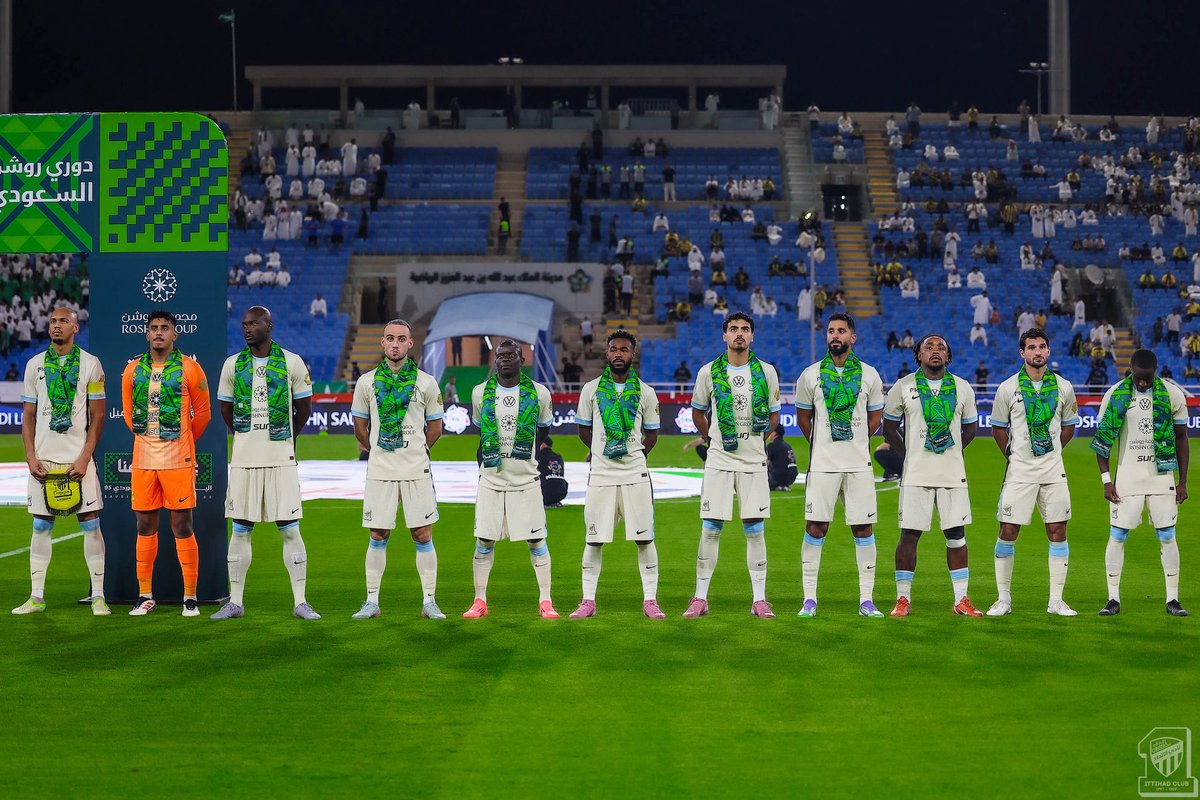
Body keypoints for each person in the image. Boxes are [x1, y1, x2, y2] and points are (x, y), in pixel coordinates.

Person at [211, 306, 318, 620]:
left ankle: (300, 602)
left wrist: (287, 438)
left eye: (254, 324)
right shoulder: (232, 365)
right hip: (244, 461)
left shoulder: (292, 362)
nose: (248, 329)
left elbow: (304, 409)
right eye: (244, 324)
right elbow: (226, 410)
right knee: (240, 531)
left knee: (290, 530)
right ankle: (235, 602)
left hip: (280, 459)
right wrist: (246, 437)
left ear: (269, 326)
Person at [685, 313, 782, 618]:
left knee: (755, 530)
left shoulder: (766, 372)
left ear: (752, 336)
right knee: (710, 529)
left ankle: (759, 599)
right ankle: (700, 598)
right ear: (724, 336)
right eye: (733, 329)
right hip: (720, 459)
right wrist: (711, 437)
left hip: (753, 460)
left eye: (745, 329)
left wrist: (755, 441)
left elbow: (774, 416)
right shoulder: (708, 372)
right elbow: (698, 412)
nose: (739, 333)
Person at [12, 307, 109, 616]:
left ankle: (98, 596)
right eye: (53, 321)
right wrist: (30, 457)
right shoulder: (34, 365)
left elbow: (98, 417)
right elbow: (28, 417)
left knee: (91, 525)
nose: (56, 325)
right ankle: (36, 597)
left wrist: (85, 458)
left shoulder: (91, 364)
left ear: (76, 328)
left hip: (78, 461)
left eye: (64, 321)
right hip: (44, 460)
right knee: (41, 526)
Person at [349, 320, 446, 620]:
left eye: (401, 339)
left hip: (416, 468)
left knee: (422, 534)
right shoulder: (366, 382)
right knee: (378, 533)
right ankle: (371, 602)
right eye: (390, 338)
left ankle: (429, 602)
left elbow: (436, 427)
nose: (395, 344)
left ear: (410, 344)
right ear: (382, 342)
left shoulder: (426, 382)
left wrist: (417, 450)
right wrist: (378, 450)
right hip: (381, 469)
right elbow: (360, 427)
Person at [882, 334, 983, 617]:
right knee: (909, 535)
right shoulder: (903, 386)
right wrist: (909, 454)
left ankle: (961, 600)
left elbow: (971, 428)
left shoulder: (962, 387)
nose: (935, 351)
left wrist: (952, 450)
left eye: (941, 347)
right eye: (929, 347)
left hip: (952, 473)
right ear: (919, 355)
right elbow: (889, 428)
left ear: (948, 356)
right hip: (916, 474)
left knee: (957, 535)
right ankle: (903, 599)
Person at [794, 313, 887, 617]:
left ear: (852, 338)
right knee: (816, 526)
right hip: (823, 464)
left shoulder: (870, 375)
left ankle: (866, 600)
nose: (835, 335)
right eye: (831, 331)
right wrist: (822, 443)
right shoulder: (810, 375)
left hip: (859, 464)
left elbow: (876, 417)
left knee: (863, 527)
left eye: (842, 331)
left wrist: (856, 439)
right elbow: (804, 418)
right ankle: (809, 600)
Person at [121, 310, 211, 617]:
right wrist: (150, 440)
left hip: (178, 460)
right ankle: (145, 595)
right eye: (154, 328)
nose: (159, 332)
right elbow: (129, 415)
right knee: (145, 525)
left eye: (165, 327)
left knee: (182, 525)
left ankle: (190, 597)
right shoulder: (132, 370)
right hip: (143, 460)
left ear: (175, 334)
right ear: (147, 334)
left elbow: (203, 414)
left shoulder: (190, 368)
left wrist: (182, 440)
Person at [570, 331, 664, 619]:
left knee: (644, 539)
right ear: (607, 353)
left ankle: (650, 600)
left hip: (635, 475)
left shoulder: (646, 392)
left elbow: (652, 434)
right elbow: (584, 430)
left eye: (624, 350)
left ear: (632, 355)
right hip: (601, 475)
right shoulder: (591, 390)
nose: (619, 354)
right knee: (594, 539)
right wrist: (602, 452)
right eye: (614, 349)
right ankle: (588, 601)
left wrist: (634, 454)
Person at [987, 329, 1080, 617]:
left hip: (1053, 470)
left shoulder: (1064, 387)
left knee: (1058, 530)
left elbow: (1069, 425)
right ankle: (1003, 599)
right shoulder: (1008, 388)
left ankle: (1056, 601)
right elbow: (998, 428)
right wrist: (1013, 456)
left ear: (1048, 351)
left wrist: (1051, 451)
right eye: (1031, 347)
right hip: (1020, 471)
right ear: (1022, 353)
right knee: (1008, 530)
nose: (1037, 352)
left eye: (1042, 346)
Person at [465, 340, 558, 619]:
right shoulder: (480, 392)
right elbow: (481, 432)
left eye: (511, 355)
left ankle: (546, 601)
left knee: (537, 540)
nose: (505, 359)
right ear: (495, 360)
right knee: (484, 541)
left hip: (526, 480)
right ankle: (479, 601)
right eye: (500, 355)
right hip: (491, 480)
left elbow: (542, 432)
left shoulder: (540, 393)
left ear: (522, 359)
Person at [1093, 350, 1190, 617]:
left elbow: (1181, 438)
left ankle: (1173, 599)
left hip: (1162, 477)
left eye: (1148, 378)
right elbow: (1103, 442)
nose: (1144, 383)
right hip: (1128, 478)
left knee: (1168, 536)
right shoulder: (1115, 394)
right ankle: (1113, 599)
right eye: (1139, 378)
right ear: (1131, 370)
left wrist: (1182, 481)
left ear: (1155, 371)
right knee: (1117, 535)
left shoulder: (1172, 394)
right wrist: (1106, 480)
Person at [537, 435, 568, 507]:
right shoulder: (559, 457)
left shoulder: (539, 456)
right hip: (561, 494)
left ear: (543, 444)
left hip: (544, 494)